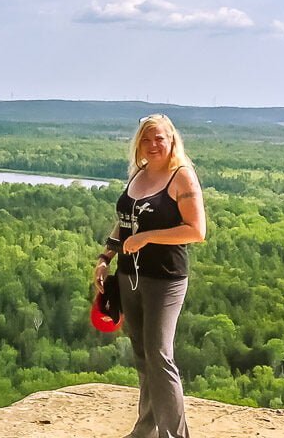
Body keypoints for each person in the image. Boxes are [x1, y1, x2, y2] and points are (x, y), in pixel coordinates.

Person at [93, 113, 207, 438]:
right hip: (129, 276)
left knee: (160, 354)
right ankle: (145, 430)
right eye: (147, 138)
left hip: (165, 279)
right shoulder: (139, 174)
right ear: (139, 144)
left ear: (172, 140)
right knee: (143, 356)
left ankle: (174, 434)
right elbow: (125, 222)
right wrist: (105, 257)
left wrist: (148, 237)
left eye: (160, 138)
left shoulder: (181, 176)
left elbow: (196, 231)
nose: (154, 144)